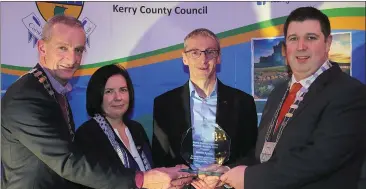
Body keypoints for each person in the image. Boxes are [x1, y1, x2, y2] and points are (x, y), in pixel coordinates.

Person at [1, 14, 192, 189]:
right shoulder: (27, 96)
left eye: (78, 50)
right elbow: (68, 161)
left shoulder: (52, 91)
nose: (72, 58)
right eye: (62, 48)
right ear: (42, 47)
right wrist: (142, 179)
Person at [208, 6, 366, 189]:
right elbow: (265, 153)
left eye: (311, 38)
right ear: (285, 47)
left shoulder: (349, 92)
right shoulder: (278, 92)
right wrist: (227, 170)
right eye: (293, 39)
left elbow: (321, 158)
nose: (301, 46)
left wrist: (249, 178)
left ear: (328, 43)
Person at [152, 28, 258, 187]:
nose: (203, 59)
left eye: (210, 52)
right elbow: (160, 157)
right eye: (195, 52)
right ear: (184, 58)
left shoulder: (243, 102)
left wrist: (226, 172)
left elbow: (252, 153)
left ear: (219, 57)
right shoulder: (164, 104)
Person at [74, 64, 155, 188]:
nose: (118, 98)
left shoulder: (136, 129)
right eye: (109, 91)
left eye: (123, 90)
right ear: (97, 96)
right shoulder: (87, 134)